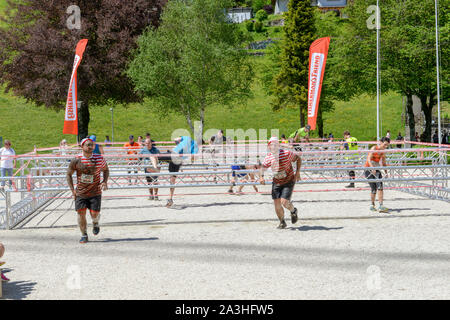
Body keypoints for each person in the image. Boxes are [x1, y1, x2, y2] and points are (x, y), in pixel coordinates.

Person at [67, 138, 109, 243]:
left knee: (94, 214)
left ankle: (95, 222)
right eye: (88, 145)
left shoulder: (99, 158)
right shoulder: (76, 160)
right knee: (81, 213)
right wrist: (72, 190)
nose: (90, 147)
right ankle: (84, 234)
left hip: (95, 192)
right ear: (82, 146)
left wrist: (104, 181)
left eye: (92, 145)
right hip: (81, 192)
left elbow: (106, 170)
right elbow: (68, 174)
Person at [259, 137, 301, 229]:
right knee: (277, 204)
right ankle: (282, 222)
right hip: (277, 182)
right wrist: (261, 177)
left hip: (288, 180)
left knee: (284, 202)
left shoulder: (286, 154)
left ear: (278, 146)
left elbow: (298, 158)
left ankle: (293, 211)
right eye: (271, 145)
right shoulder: (268, 157)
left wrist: (297, 172)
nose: (273, 147)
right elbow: (262, 167)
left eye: (275, 145)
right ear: (269, 147)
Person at [159, 136, 199, 208]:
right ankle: (170, 199)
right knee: (172, 179)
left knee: (157, 156)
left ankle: (170, 199)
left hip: (174, 156)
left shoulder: (187, 138)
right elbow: (192, 158)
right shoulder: (194, 145)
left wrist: (178, 143)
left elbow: (176, 139)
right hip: (178, 159)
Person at [364, 137, 390, 213]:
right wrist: (372, 168)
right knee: (373, 188)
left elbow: (384, 163)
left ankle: (381, 205)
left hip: (376, 168)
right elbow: (369, 159)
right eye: (385, 145)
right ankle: (372, 205)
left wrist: (386, 172)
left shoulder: (382, 152)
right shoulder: (374, 148)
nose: (385, 147)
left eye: (387, 146)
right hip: (368, 169)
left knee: (380, 186)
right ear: (380, 142)